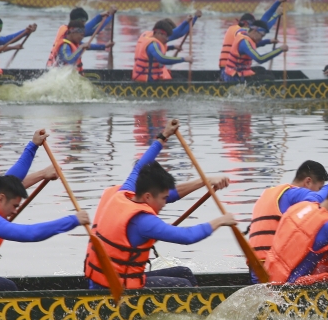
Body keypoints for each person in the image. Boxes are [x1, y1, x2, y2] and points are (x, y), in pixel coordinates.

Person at [85, 119, 234, 290]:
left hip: (103, 281)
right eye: (164, 199)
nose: (166, 202)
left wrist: (164, 135)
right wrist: (221, 220)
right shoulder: (144, 222)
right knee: (183, 285)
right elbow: (187, 237)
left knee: (184, 273)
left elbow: (142, 165)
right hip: (116, 291)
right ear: (148, 196)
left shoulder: (125, 193)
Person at [0, 175, 89, 293]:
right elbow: (30, 234)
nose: (15, 211)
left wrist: (33, 147)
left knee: (7, 286)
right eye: (14, 206)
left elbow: (10, 179)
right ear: (0, 199)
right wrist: (73, 220)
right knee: (7, 289)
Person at [131, 13, 200, 81]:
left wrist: (172, 47)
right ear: (158, 33)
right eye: (166, 36)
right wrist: (184, 59)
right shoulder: (153, 44)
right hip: (148, 81)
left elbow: (153, 52)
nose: (167, 39)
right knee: (181, 80)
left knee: (179, 77)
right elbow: (162, 59)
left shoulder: (149, 35)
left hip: (144, 75)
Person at [218, 3, 282, 70]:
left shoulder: (235, 30)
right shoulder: (241, 32)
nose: (253, 28)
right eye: (252, 25)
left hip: (228, 67)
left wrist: (269, 41)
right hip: (231, 69)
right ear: (246, 23)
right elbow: (264, 26)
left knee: (261, 70)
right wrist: (276, 15)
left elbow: (262, 25)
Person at [46, 8, 114, 68]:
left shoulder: (72, 35)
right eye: (83, 22)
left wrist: (105, 46)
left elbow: (88, 44)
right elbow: (94, 30)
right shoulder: (68, 36)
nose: (83, 27)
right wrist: (109, 15)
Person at [222, 21, 288, 82]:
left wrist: (269, 41)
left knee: (263, 70)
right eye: (261, 36)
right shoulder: (244, 42)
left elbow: (255, 45)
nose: (261, 38)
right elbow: (260, 59)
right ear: (254, 31)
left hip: (239, 72)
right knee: (269, 78)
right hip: (234, 77)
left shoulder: (247, 34)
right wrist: (280, 50)